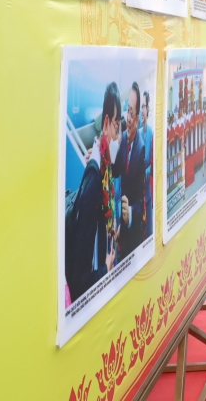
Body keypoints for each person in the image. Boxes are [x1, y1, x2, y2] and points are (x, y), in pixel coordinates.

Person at [65, 83, 121, 301]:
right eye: (116, 126)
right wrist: (104, 271)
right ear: (106, 123)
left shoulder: (102, 169)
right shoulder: (94, 182)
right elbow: (79, 282)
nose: (119, 136)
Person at [113, 83, 148, 259]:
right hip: (122, 228)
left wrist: (130, 215)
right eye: (127, 110)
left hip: (134, 233)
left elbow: (141, 199)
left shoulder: (141, 148)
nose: (128, 117)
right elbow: (116, 170)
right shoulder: (124, 140)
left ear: (138, 119)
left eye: (132, 113)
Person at [140, 91, 154, 238]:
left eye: (143, 107)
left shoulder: (151, 134)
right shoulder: (134, 136)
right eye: (139, 107)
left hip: (147, 195)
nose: (141, 111)